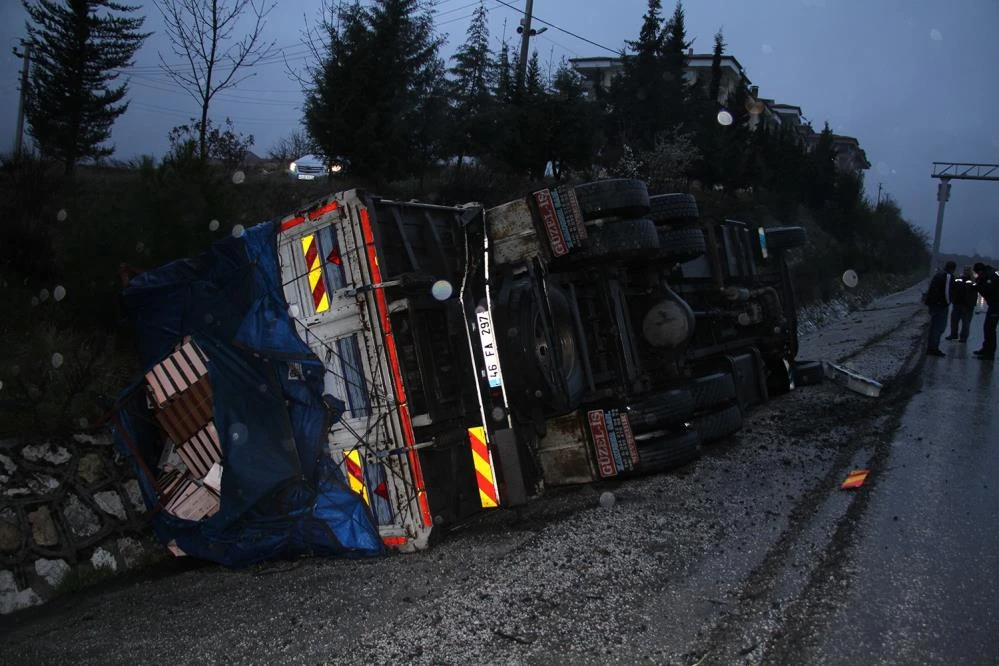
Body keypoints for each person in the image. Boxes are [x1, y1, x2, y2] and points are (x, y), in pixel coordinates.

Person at [924, 260, 955, 357]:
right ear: (953, 269)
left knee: (934, 327)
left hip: (933, 304)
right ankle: (934, 348)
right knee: (939, 327)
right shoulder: (947, 276)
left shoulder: (938, 274)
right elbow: (947, 291)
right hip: (940, 305)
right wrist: (948, 302)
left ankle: (930, 348)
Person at [972, 262, 999, 361]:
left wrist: (976, 287)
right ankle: (986, 349)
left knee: (990, 329)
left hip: (996, 305)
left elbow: (988, 289)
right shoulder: (992, 273)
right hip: (994, 304)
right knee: (988, 328)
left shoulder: (990, 276)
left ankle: (989, 353)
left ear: (980, 271)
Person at [945, 266, 977, 343]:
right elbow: (953, 287)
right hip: (957, 303)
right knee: (954, 321)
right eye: (965, 270)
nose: (966, 271)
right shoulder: (959, 278)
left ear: (970, 271)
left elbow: (975, 291)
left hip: (967, 306)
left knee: (965, 323)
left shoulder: (973, 280)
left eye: (968, 270)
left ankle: (963, 337)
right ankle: (953, 334)